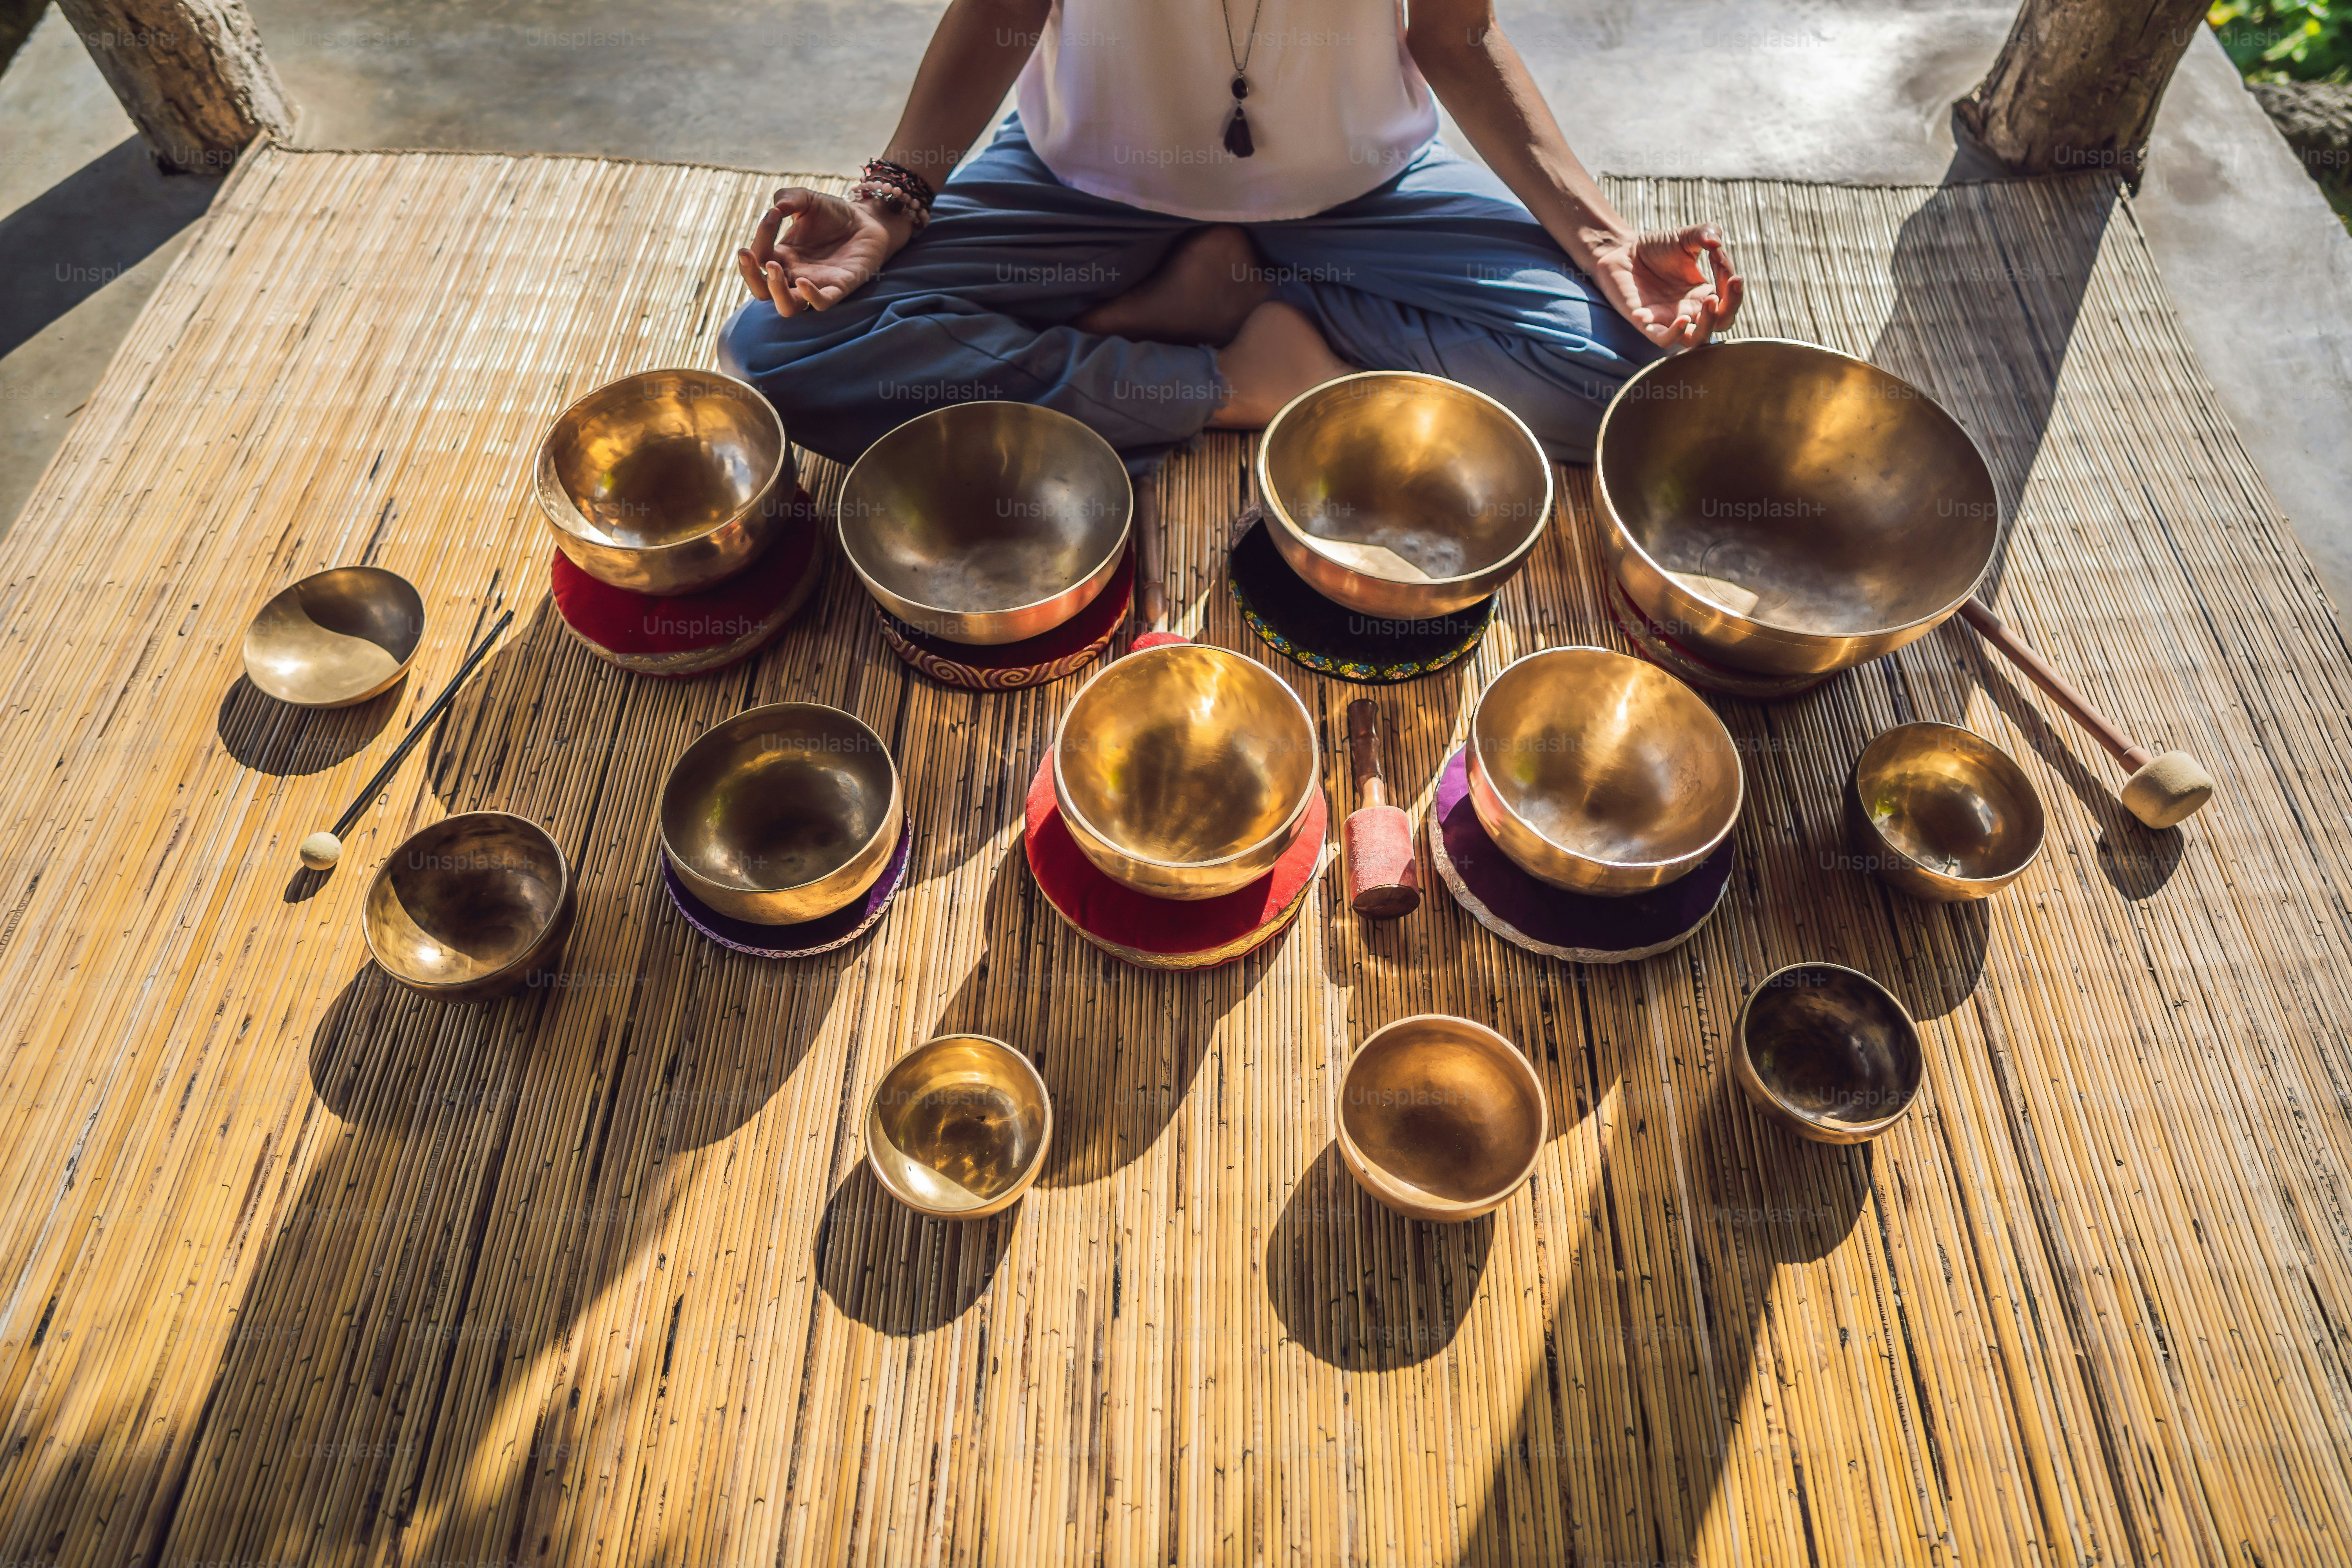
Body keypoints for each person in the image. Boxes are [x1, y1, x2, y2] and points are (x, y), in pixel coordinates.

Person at [720, 0, 1743, 472]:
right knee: (783, 350)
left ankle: (1225, 298)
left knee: (1647, 394)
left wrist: (1603, 242)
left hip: (1361, 195)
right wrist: (894, 196)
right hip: (1088, 184)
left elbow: (1455, 32)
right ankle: (1248, 383)